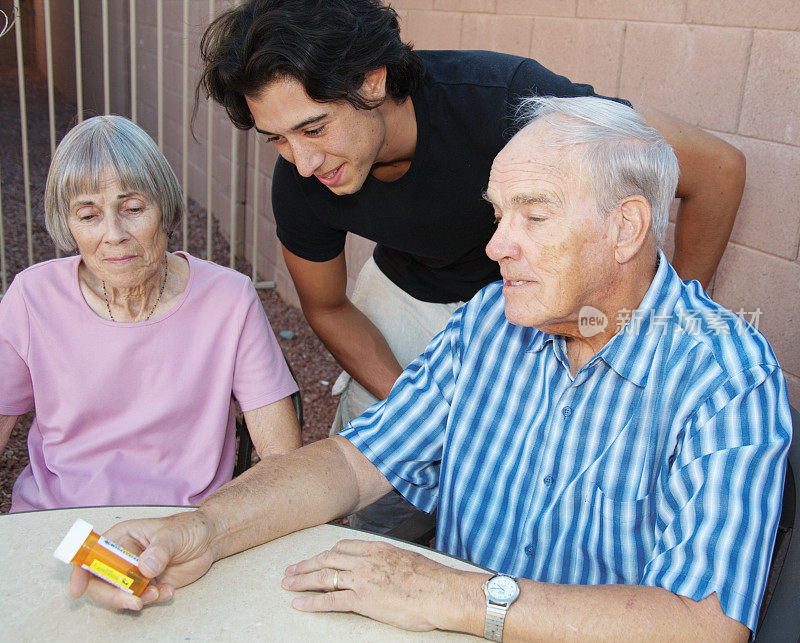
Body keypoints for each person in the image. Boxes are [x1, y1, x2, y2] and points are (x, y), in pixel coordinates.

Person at [70, 97, 789, 641]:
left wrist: (452, 593)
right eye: (499, 213)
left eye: (533, 217)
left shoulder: (726, 374)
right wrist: (201, 528)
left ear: (626, 227)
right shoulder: (489, 322)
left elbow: (706, 622)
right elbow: (353, 462)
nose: (499, 243)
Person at [197, 0, 747, 533]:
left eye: (314, 129)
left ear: (371, 81)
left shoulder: (503, 97)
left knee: (546, 476)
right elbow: (327, 305)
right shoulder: (301, 178)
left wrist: (656, 326)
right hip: (405, 295)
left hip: (537, 302)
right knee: (385, 496)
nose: (303, 161)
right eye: (278, 139)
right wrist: (420, 408)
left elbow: (717, 171)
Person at [0, 115, 301, 512]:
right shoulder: (32, 297)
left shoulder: (228, 299)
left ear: (166, 209)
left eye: (133, 207)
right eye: (88, 215)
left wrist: (219, 527)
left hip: (184, 528)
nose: (114, 233)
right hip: (59, 524)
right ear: (68, 225)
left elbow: (282, 456)